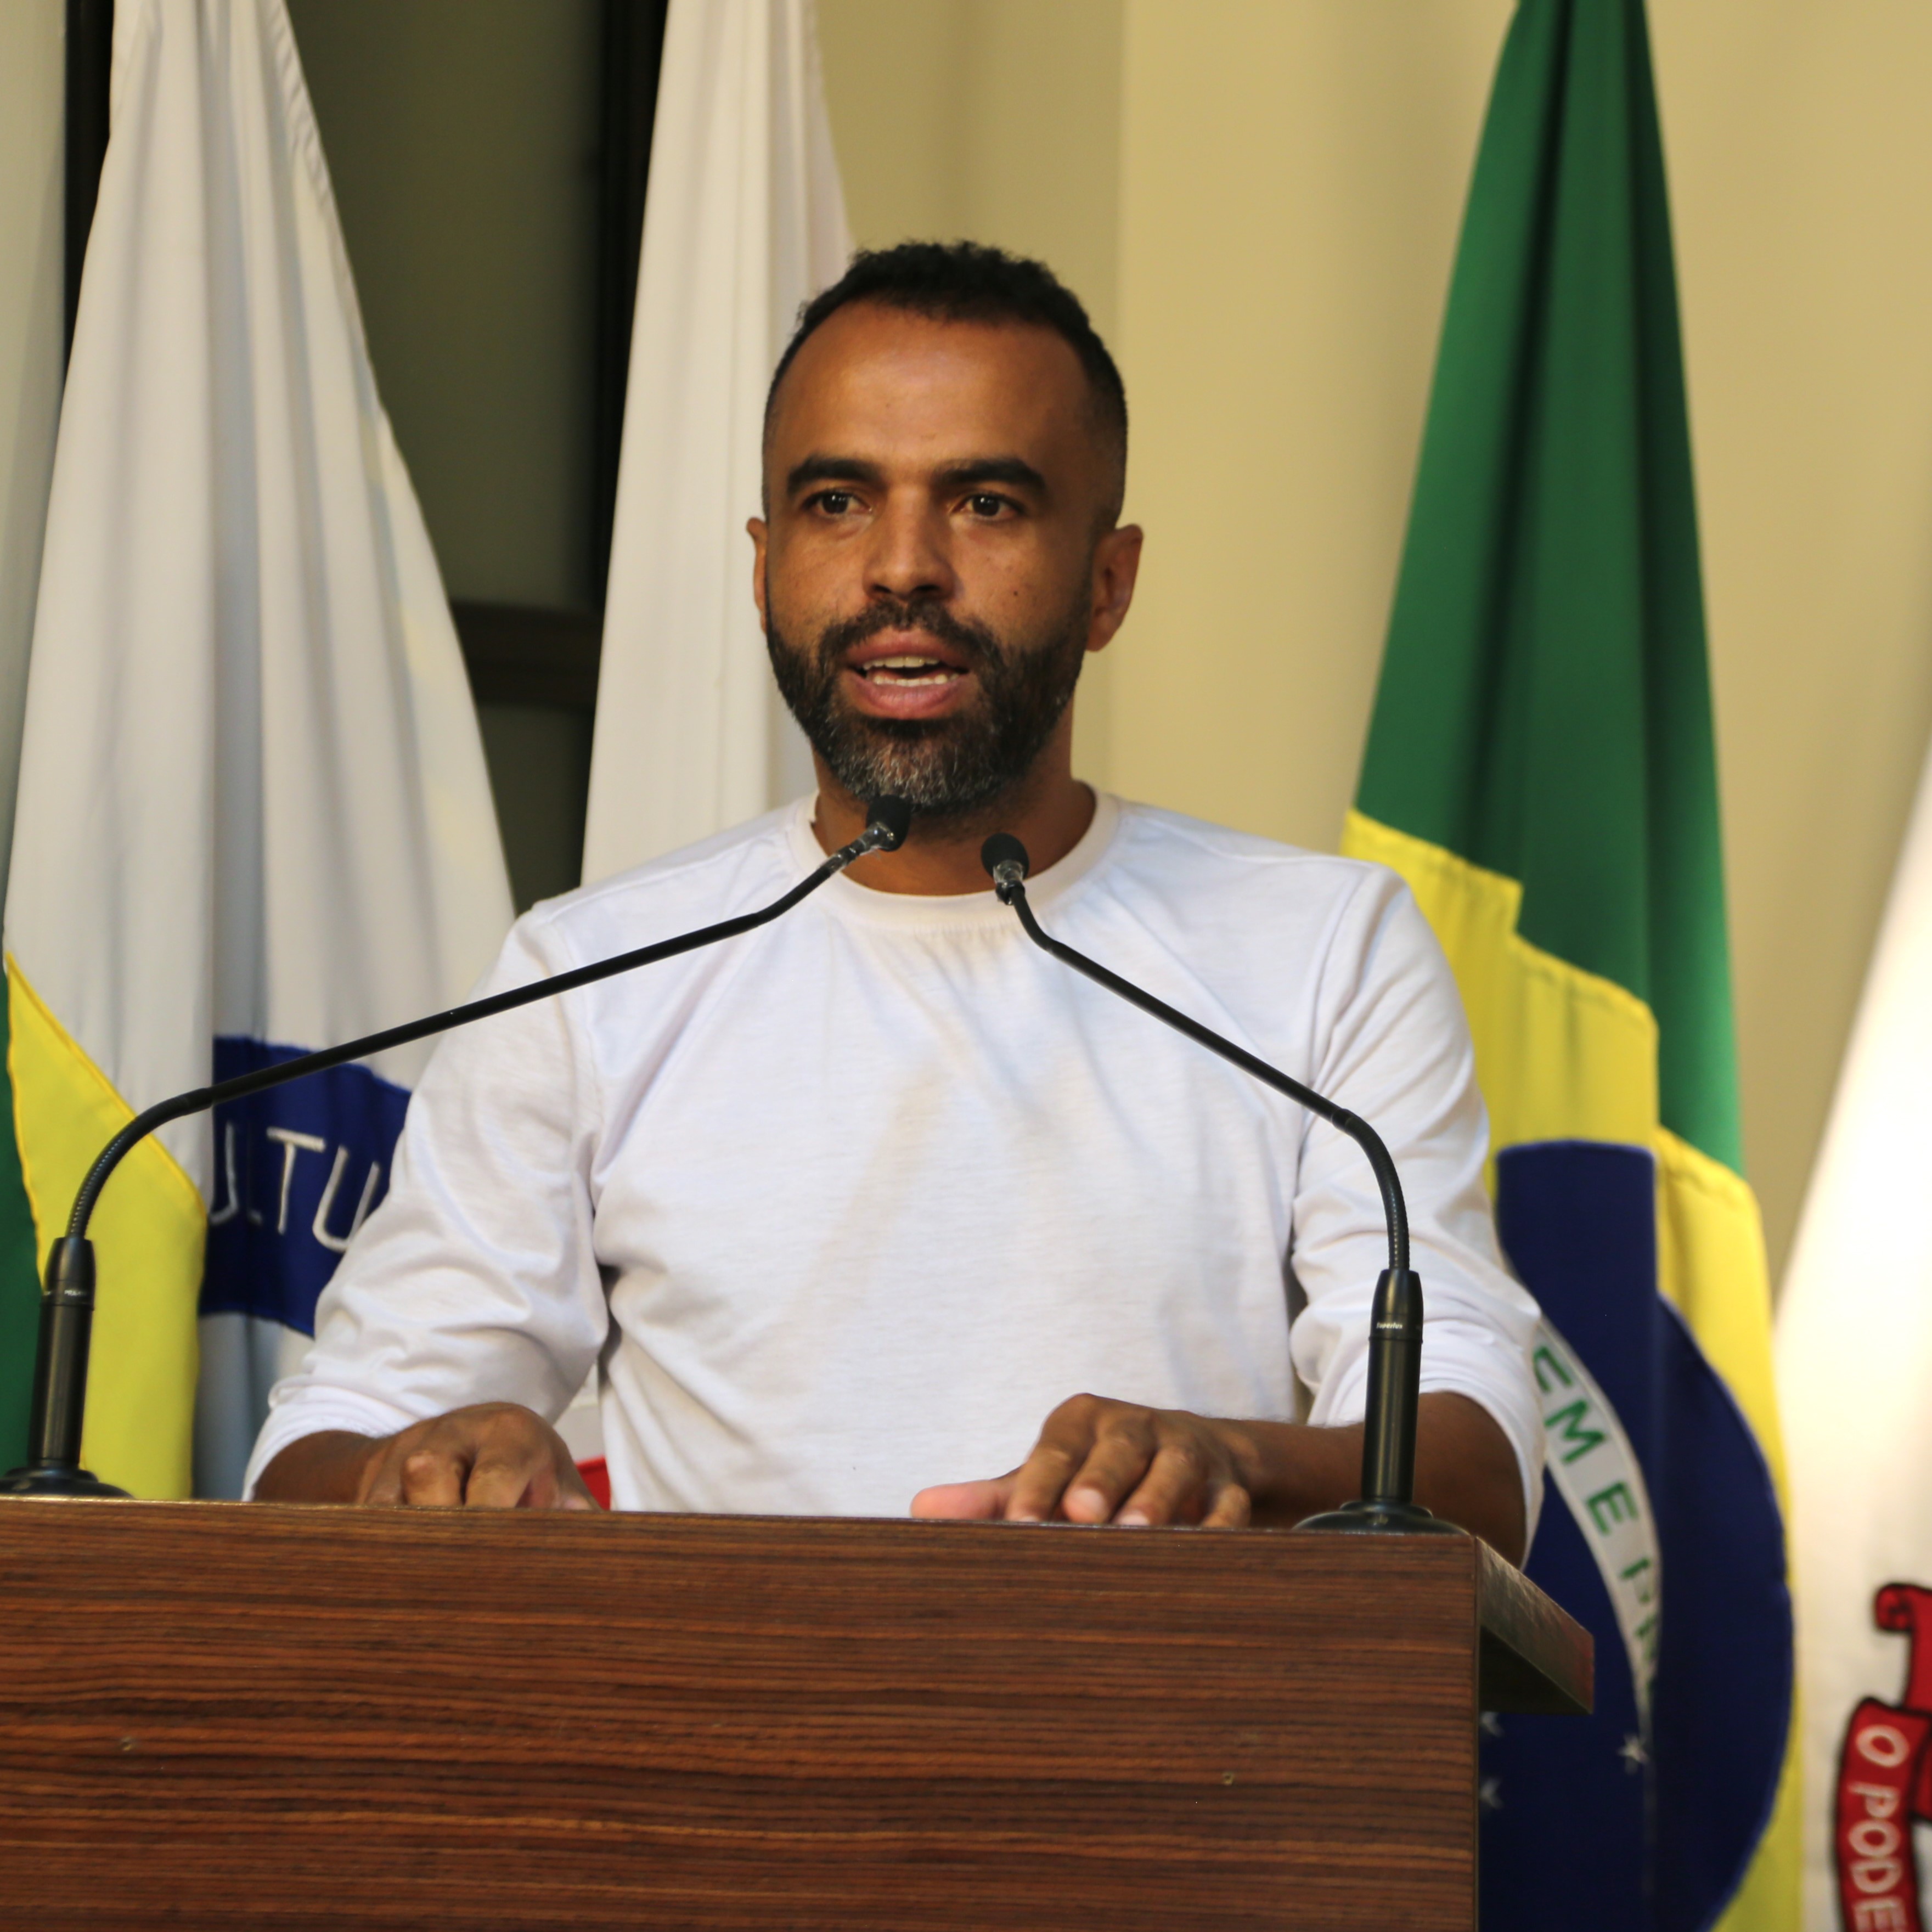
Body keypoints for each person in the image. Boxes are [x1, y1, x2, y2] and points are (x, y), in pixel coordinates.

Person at [250, 242, 1541, 1559]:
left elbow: (1479, 1470)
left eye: (984, 503)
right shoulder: (589, 976)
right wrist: (418, 1470)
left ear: (1109, 582)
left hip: (1175, 1757)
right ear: (763, 568)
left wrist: (1225, 1464)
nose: (903, 567)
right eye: (836, 503)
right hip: (714, 1753)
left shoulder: (1326, 951)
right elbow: (320, 1442)